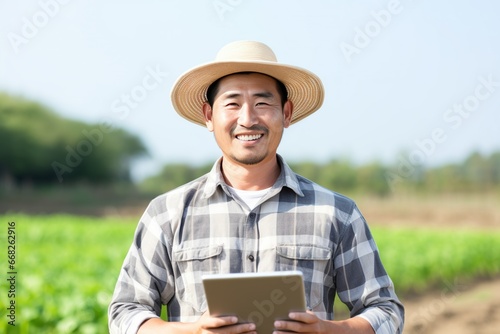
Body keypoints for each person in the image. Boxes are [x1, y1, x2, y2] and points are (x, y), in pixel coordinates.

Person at [108, 40, 404, 334]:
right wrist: (195, 331)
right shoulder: (167, 213)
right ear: (209, 116)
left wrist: (327, 330)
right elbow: (125, 314)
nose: (248, 119)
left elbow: (386, 312)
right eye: (233, 103)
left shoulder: (337, 213)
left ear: (286, 113)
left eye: (262, 103)